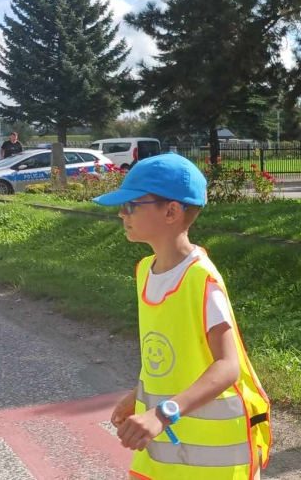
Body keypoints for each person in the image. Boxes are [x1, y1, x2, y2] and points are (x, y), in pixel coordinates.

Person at [97, 154, 272, 480]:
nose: (122, 213)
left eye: (131, 205)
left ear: (171, 211)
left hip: (214, 459)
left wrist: (163, 414)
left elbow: (228, 366)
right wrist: (138, 396)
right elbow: (166, 356)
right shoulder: (145, 271)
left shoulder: (200, 278)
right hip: (162, 450)